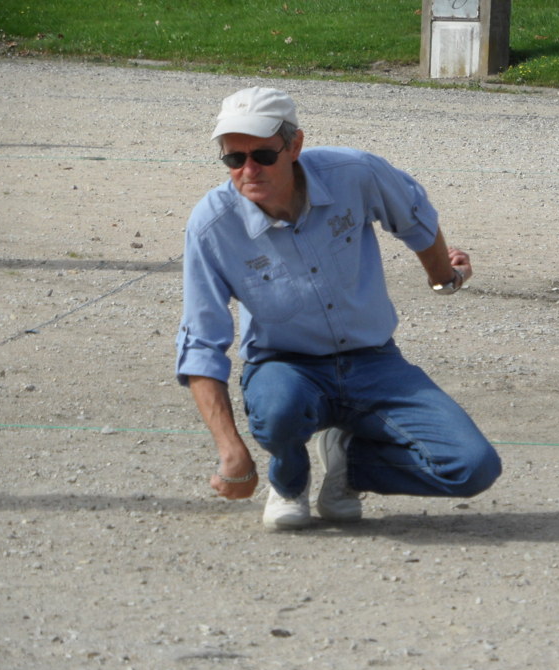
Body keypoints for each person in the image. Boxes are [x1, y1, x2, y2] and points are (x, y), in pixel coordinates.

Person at [175, 87, 502, 530]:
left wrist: (444, 276)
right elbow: (200, 342)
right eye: (235, 159)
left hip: (374, 360)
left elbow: (413, 215)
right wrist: (231, 451)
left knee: (472, 466)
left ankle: (349, 465)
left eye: (264, 156)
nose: (249, 169)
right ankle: (289, 481)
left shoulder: (354, 171)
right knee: (279, 410)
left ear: (295, 145)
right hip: (283, 365)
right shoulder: (211, 225)